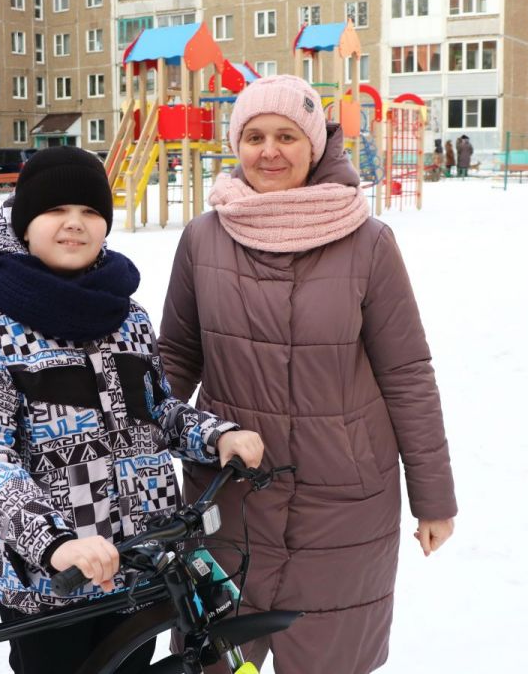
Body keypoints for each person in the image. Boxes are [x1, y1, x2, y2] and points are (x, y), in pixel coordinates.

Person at [158, 75, 457, 674]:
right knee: (217, 659)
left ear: (315, 144)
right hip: (229, 493)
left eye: (287, 136)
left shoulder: (368, 242)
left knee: (329, 658)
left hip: (343, 499)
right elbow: (174, 361)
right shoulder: (203, 238)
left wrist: (434, 499)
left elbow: (406, 374)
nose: (269, 151)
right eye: (254, 137)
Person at [0, 147, 264, 674]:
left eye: (91, 211)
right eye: (55, 210)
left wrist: (217, 436)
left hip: (139, 569)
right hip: (52, 587)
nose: (74, 223)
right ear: (24, 224)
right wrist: (53, 544)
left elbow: (158, 413)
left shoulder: (128, 318)